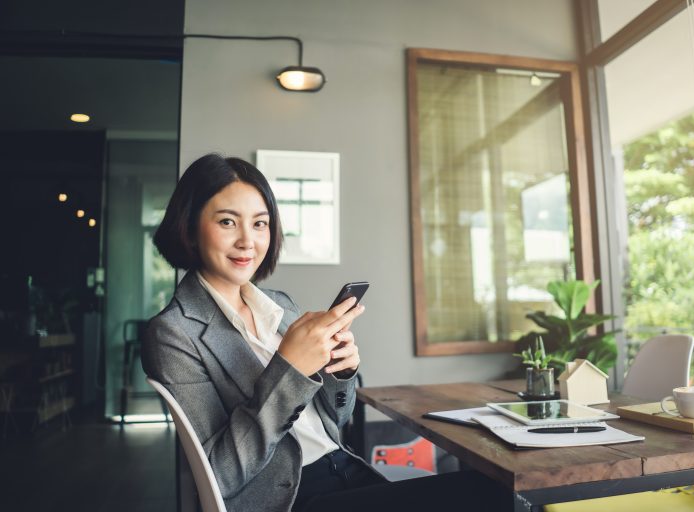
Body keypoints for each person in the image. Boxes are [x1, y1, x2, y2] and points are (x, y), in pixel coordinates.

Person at [142, 153, 513, 512]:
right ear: (190, 226)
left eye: (260, 223)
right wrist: (290, 369)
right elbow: (219, 474)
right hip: (289, 498)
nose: (248, 241)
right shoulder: (173, 333)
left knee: (497, 490)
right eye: (227, 222)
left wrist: (340, 373)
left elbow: (336, 420)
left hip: (347, 471)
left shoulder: (280, 304)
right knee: (488, 496)